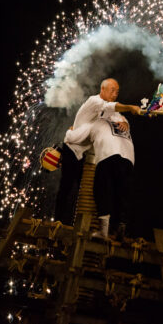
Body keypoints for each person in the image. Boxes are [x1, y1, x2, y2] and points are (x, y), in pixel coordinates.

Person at [54, 79, 140, 225]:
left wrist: (125, 123)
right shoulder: (94, 101)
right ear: (102, 89)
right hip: (74, 147)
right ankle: (58, 220)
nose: (115, 94)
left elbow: (120, 117)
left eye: (117, 91)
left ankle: (91, 225)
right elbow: (112, 107)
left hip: (88, 154)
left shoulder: (110, 110)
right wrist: (130, 107)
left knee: (88, 191)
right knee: (67, 186)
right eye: (112, 90)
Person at [64, 110, 135, 241]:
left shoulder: (93, 123)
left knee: (101, 190)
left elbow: (73, 138)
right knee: (122, 193)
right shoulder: (119, 119)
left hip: (108, 154)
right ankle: (121, 229)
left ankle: (103, 231)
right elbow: (123, 119)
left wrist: (70, 130)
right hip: (129, 158)